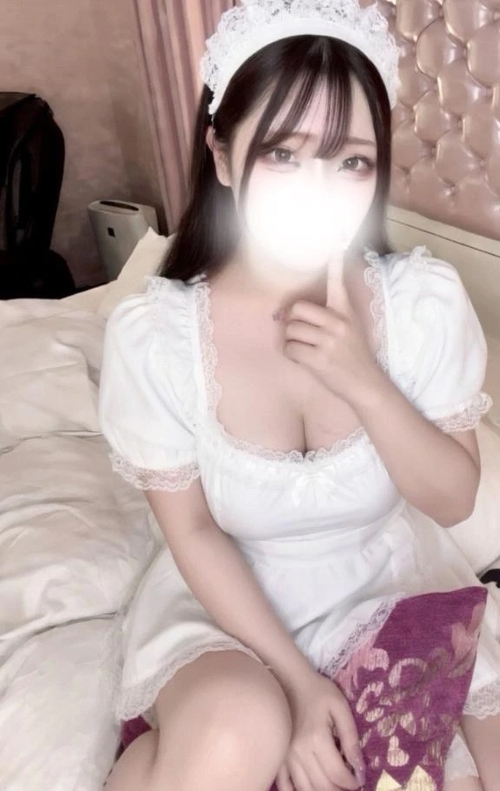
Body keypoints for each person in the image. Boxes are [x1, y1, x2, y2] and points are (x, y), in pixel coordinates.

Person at [99, 1, 500, 789]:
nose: (320, 189)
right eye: (283, 153)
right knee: (238, 727)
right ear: (221, 154)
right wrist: (296, 683)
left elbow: (454, 498)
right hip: (227, 606)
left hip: (384, 584)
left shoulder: (419, 304)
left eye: (352, 161)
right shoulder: (160, 337)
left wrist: (364, 380)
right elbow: (195, 532)